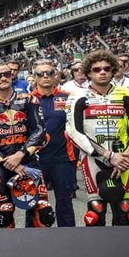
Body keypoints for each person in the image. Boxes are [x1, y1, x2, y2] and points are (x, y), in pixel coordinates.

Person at [65, 50, 129, 226]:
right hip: (93, 158)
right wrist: (109, 156)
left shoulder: (127, 94)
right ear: (88, 72)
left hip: (124, 158)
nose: (102, 72)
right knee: (96, 210)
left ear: (113, 70)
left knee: (125, 210)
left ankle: (122, 252)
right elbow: (73, 131)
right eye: (97, 69)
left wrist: (127, 155)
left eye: (107, 68)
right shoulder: (77, 96)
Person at [0, 63, 54, 228]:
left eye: (6, 73)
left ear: (12, 75)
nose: (3, 78)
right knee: (5, 214)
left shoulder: (28, 99)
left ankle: (40, 251)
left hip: (29, 162)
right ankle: (9, 252)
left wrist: (20, 155)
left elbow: (40, 130)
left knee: (44, 213)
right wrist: (7, 162)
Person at [30, 59, 77, 227]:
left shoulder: (68, 98)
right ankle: (33, 242)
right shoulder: (27, 100)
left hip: (63, 158)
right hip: (35, 160)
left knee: (65, 203)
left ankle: (69, 240)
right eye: (40, 74)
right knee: (34, 203)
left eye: (49, 73)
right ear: (34, 77)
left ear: (56, 75)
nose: (45, 76)